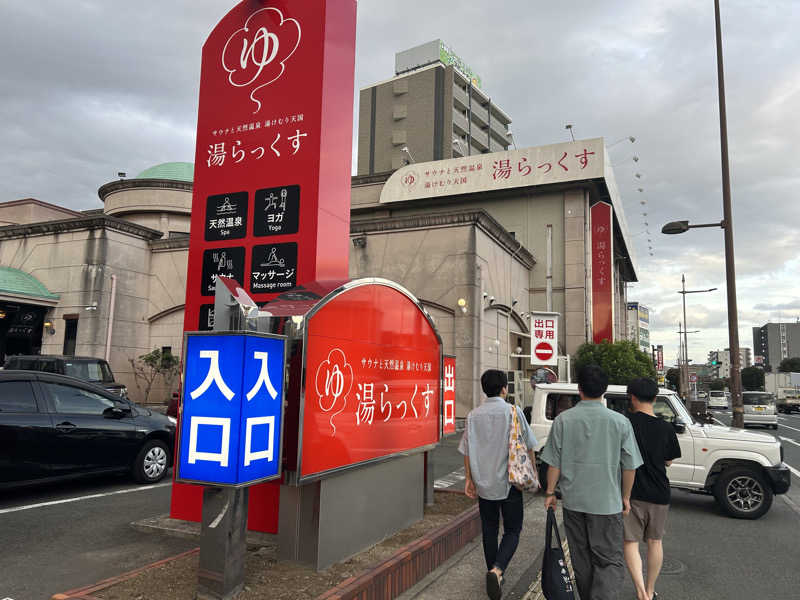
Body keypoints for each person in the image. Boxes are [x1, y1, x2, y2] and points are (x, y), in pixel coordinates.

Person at [540, 364, 643, 600]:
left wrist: (549, 493)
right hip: (607, 504)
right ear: (604, 390)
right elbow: (629, 466)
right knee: (608, 560)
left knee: (581, 558)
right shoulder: (620, 422)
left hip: (574, 502)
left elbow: (554, 462)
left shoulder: (563, 420)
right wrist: (625, 497)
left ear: (579, 389)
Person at [459, 369, 537, 600]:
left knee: (490, 529)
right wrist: (531, 473)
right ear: (504, 388)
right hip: (510, 482)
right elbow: (529, 444)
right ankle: (497, 569)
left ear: (484, 389)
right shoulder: (513, 411)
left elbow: (466, 449)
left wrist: (469, 478)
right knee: (513, 529)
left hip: (484, 483)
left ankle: (494, 572)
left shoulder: (473, 416)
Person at [623, 378, 682, 600]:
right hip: (659, 493)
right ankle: (649, 589)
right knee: (655, 542)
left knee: (630, 541)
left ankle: (640, 592)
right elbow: (669, 461)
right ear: (655, 399)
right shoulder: (665, 428)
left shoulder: (625, 423)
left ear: (632, 397)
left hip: (632, 492)